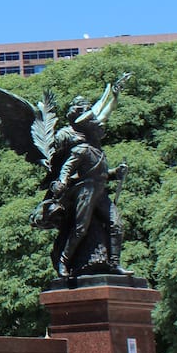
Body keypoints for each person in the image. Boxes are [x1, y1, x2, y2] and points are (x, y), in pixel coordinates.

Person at [48, 97, 131, 276]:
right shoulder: (82, 149)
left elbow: (101, 174)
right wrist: (62, 182)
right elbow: (67, 167)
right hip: (85, 192)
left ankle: (114, 264)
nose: (101, 130)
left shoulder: (98, 151)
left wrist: (117, 172)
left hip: (100, 193)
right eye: (98, 128)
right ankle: (63, 262)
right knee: (80, 229)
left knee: (116, 225)